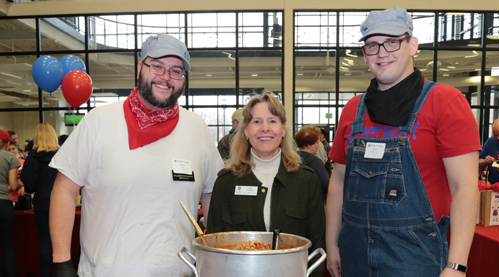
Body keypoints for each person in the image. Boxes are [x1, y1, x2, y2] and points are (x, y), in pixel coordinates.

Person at [48, 34, 224, 277]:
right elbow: (63, 190)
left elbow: (211, 194)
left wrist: (215, 257)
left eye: (176, 71)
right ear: (140, 67)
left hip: (179, 271)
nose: (165, 77)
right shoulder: (98, 122)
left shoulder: (197, 128)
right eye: (157, 66)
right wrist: (61, 262)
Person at [326, 7, 480, 277]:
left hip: (416, 254)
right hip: (355, 252)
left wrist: (456, 265)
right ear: (365, 55)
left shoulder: (445, 101)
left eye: (392, 42)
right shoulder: (353, 109)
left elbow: (465, 187)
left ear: (413, 46)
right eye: (373, 45)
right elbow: (338, 181)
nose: (382, 53)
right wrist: (332, 242)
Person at [206, 92, 326, 276]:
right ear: (245, 130)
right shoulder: (225, 183)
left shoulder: (306, 181)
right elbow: (214, 248)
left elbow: (317, 245)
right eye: (256, 122)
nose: (265, 128)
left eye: (272, 121)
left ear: (283, 129)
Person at [20, 123, 60, 277]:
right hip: (60, 202)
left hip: (42, 203)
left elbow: (29, 185)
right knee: (61, 241)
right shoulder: (61, 155)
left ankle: (45, 274)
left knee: (44, 241)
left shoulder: (32, 157)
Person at [0, 130, 23, 277]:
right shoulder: (10, 157)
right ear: (8, 143)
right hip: (3, 204)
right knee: (7, 244)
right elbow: (14, 186)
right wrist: (23, 184)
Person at [295, 125, 329, 203]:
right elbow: (326, 184)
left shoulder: (292, 158)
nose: (318, 146)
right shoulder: (315, 161)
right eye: (317, 143)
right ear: (309, 144)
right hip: (313, 203)